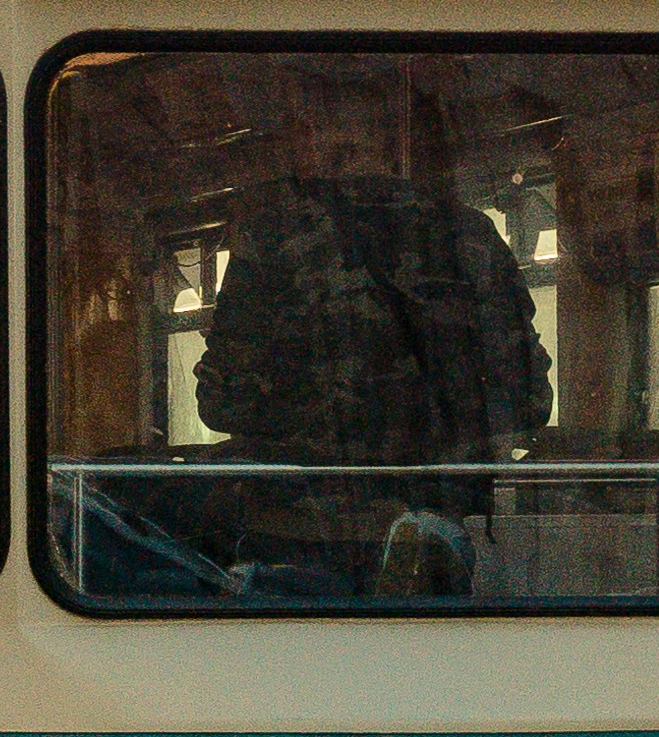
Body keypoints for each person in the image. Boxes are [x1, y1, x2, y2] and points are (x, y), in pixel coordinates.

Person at [195, 100, 551, 579]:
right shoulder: (472, 237)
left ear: (315, 145)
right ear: (391, 145)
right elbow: (529, 401)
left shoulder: (272, 240)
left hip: (295, 535)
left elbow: (220, 404)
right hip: (432, 537)